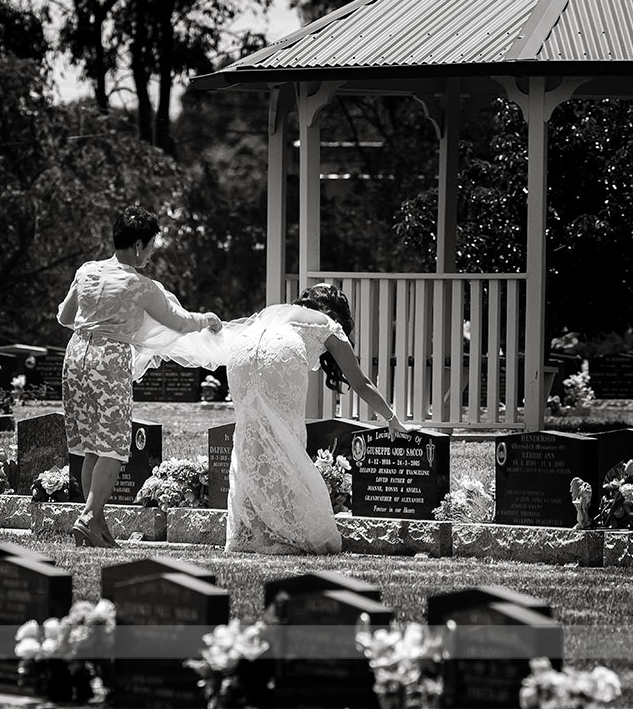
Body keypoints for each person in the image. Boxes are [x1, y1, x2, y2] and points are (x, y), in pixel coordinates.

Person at [57, 206, 222, 548]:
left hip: (75, 357)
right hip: (109, 360)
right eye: (149, 246)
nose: (151, 252)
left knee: (91, 447)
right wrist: (205, 318)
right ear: (136, 246)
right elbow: (178, 322)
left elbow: (64, 317)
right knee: (114, 447)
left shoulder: (86, 271)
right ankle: (87, 518)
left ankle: (97, 527)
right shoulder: (140, 286)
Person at [225, 284, 408, 554]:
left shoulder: (282, 310)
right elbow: (361, 383)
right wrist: (392, 418)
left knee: (250, 438)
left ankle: (252, 532)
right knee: (288, 439)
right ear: (339, 313)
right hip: (279, 352)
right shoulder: (329, 324)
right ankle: (288, 531)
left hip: (240, 350)